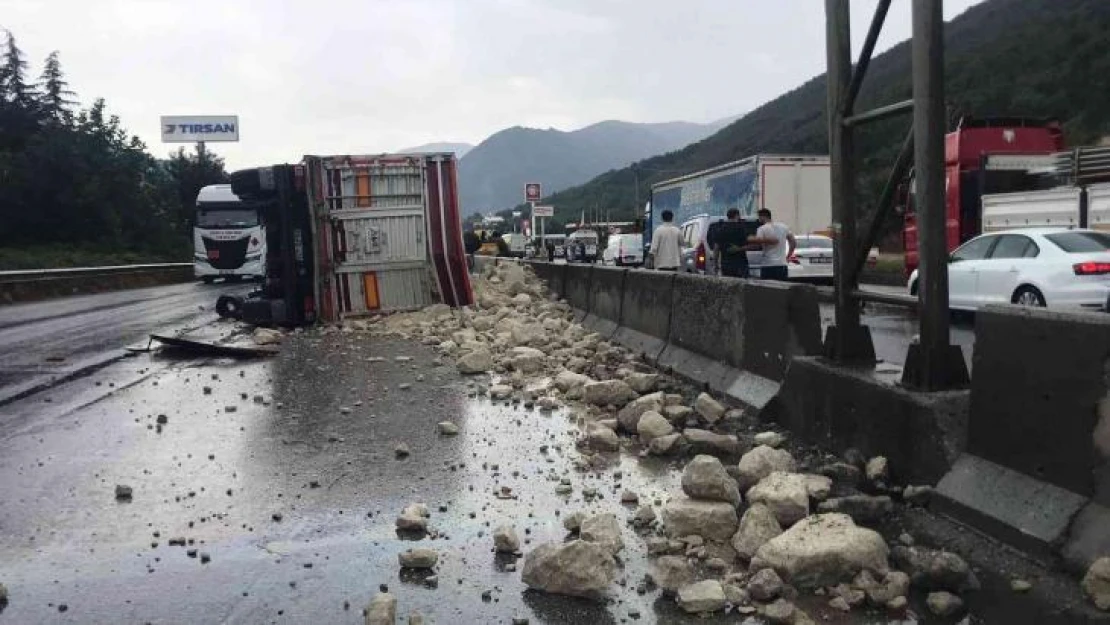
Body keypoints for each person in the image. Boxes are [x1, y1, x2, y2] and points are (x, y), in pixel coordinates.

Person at [748, 208, 796, 280]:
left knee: (768, 289)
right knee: (782, 287)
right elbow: (793, 241)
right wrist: (789, 255)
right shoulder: (783, 226)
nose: (759, 219)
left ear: (763, 216)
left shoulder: (762, 229)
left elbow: (757, 244)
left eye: (759, 217)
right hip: (782, 264)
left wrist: (750, 239)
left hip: (768, 264)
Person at [715, 208, 752, 279]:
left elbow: (716, 248)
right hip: (741, 264)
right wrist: (739, 249)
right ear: (737, 215)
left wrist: (716, 264)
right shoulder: (741, 229)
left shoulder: (720, 230)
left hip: (726, 265)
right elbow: (750, 245)